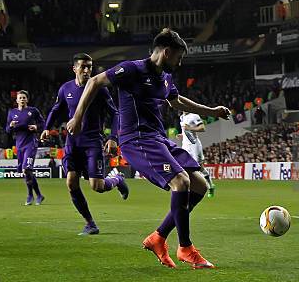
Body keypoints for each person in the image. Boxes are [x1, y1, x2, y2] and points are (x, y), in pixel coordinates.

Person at [66, 28, 231, 269]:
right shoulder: (131, 69)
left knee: (199, 184)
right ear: (166, 52)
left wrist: (211, 111)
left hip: (158, 139)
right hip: (137, 140)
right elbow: (94, 81)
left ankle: (158, 238)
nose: (180, 62)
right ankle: (185, 248)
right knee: (181, 182)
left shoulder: (165, 76)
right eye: (178, 57)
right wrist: (78, 117)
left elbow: (177, 101)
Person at [41, 53, 129, 235]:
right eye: (83, 66)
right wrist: (46, 128)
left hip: (92, 143)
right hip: (72, 143)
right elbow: (56, 110)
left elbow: (116, 114)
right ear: (74, 69)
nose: (88, 70)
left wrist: (113, 137)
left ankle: (117, 179)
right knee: (71, 183)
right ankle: (90, 223)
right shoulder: (65, 89)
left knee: (97, 186)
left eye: (90, 66)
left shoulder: (100, 89)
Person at [6, 90, 45, 206]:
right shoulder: (12, 113)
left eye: (24, 97)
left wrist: (36, 127)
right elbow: (7, 130)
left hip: (31, 143)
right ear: (17, 100)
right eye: (20, 98)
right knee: (26, 172)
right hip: (19, 145)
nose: (22, 99)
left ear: (27, 99)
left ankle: (30, 195)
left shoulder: (33, 111)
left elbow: (43, 124)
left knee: (27, 169)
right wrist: (11, 126)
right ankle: (38, 195)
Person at [179, 111, 215, 197]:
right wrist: (182, 135)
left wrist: (190, 129)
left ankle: (194, 189)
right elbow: (186, 131)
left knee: (193, 168)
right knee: (200, 168)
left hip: (194, 145)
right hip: (185, 145)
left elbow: (202, 128)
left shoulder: (194, 116)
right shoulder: (181, 117)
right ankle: (211, 186)